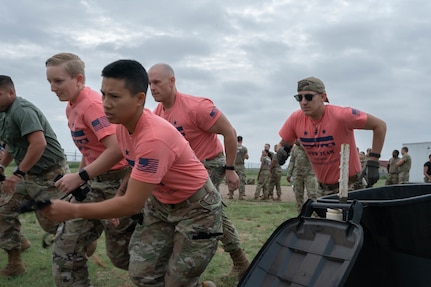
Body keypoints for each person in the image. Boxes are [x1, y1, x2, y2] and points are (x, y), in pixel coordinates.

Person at [43, 59, 221, 287]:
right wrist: (117, 191)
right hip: (162, 206)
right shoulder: (122, 124)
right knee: (141, 275)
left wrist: (74, 210)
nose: (105, 103)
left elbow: (132, 205)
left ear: (139, 99)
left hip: (197, 211)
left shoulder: (154, 138)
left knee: (177, 282)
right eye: (103, 94)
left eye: (114, 97)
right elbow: (126, 158)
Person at [149, 63, 249, 280]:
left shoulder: (196, 107)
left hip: (210, 162)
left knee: (207, 209)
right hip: (187, 168)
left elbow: (230, 132)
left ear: (172, 81)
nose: (152, 88)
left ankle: (240, 262)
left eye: (157, 82)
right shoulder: (158, 114)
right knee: (198, 211)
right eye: (149, 83)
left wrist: (230, 169)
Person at [45, 53, 137, 286]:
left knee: (123, 257)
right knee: (66, 245)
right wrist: (82, 178)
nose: (53, 89)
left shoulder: (93, 105)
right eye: (50, 82)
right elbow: (90, 149)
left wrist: (80, 176)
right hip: (95, 183)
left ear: (78, 79)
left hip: (119, 184)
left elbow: (116, 149)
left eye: (58, 81)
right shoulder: (71, 107)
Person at [0, 75, 69, 277]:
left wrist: (17, 173)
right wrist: (3, 166)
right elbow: (12, 144)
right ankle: (15, 262)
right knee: (3, 210)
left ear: (11, 93)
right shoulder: (3, 114)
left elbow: (39, 144)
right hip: (27, 173)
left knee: (52, 223)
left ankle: (85, 239)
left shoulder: (22, 110)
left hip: (50, 173)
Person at [277, 76, 386, 196]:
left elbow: (380, 125)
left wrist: (374, 161)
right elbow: (283, 143)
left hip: (351, 187)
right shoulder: (295, 119)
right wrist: (283, 150)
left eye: (309, 97)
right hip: (322, 189)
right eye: (299, 97)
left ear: (323, 96)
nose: (303, 102)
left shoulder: (341, 115)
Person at [286, 140, 319, 213]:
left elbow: (312, 154)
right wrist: (289, 173)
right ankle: (300, 213)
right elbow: (292, 161)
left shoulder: (310, 145)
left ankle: (316, 213)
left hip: (309, 174)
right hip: (297, 175)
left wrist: (301, 145)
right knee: (298, 195)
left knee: (312, 194)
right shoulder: (295, 148)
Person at [234, 136, 249, 200]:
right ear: (241, 140)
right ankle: (240, 196)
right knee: (241, 180)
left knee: (232, 180)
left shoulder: (233, 147)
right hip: (241, 165)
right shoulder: (244, 148)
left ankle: (231, 194)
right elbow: (246, 157)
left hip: (233, 164)